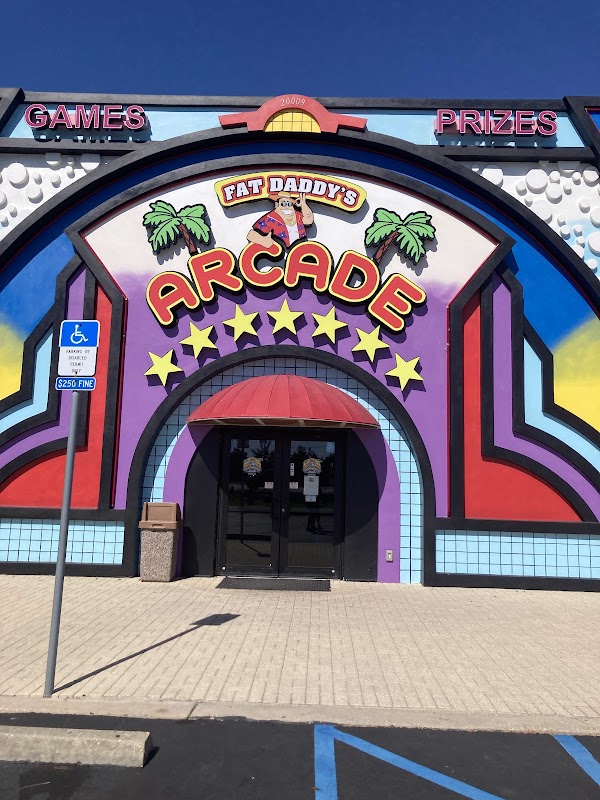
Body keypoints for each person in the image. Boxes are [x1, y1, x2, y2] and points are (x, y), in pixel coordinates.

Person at [247, 191, 313, 249]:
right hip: (282, 253)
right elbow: (251, 235)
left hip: (302, 250)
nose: (287, 207)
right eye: (283, 204)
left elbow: (308, 220)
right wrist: (264, 241)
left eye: (289, 204)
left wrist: (303, 205)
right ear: (277, 205)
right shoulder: (271, 217)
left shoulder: (297, 215)